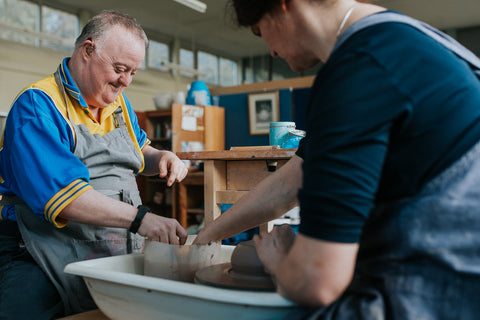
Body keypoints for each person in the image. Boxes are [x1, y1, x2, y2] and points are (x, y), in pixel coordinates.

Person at [194, 0, 480, 319]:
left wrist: (280, 263)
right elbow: (291, 182)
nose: (271, 52)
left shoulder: (360, 67)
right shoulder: (407, 40)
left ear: (284, 5)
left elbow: (316, 283)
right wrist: (207, 236)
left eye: (261, 32)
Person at [0, 10, 188, 319]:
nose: (125, 81)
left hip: (109, 245)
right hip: (37, 251)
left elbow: (138, 149)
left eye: (133, 72)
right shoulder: (39, 106)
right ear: (88, 50)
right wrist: (142, 219)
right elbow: (64, 197)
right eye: (119, 68)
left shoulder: (118, 105)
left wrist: (162, 157)